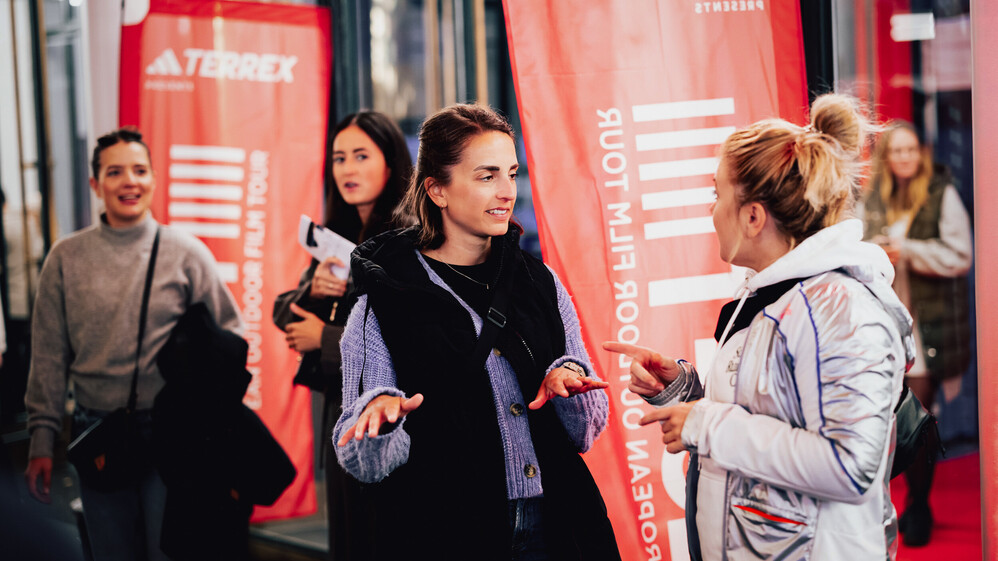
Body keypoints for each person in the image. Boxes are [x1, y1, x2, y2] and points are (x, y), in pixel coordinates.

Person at [604, 94, 914, 560]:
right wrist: (684, 391)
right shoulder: (781, 293)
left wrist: (705, 424)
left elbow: (850, 466)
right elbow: (776, 412)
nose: (712, 211)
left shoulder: (839, 308)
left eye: (717, 195)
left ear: (753, 217)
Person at [332, 104, 620, 561]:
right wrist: (381, 421)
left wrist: (568, 381)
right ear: (437, 190)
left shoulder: (539, 281)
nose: (507, 192)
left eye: (511, 174)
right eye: (487, 176)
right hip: (449, 534)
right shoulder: (384, 297)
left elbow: (585, 431)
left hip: (561, 523)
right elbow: (362, 464)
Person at [24, 127, 243, 561]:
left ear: (154, 179)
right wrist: (41, 440)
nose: (130, 181)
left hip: (172, 430)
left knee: (171, 550)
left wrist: (213, 417)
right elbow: (48, 354)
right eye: (115, 172)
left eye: (140, 170)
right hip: (97, 430)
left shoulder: (186, 252)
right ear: (95, 184)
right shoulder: (66, 258)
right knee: (112, 552)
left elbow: (230, 338)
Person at [273, 110, 412, 560]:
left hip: (389, 417)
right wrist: (312, 290)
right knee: (351, 541)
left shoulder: (409, 237)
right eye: (339, 158)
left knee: (386, 538)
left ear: (390, 161)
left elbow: (411, 336)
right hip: (343, 414)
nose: (348, 169)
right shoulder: (339, 233)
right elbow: (282, 312)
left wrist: (326, 338)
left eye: (361, 156)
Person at [861, 120, 973, 546]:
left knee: (918, 417)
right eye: (897, 150)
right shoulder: (872, 198)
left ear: (920, 154)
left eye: (911, 149)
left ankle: (919, 504)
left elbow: (961, 255)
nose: (904, 157)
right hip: (885, 327)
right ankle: (909, 504)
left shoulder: (941, 194)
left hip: (927, 327)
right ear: (887, 157)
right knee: (897, 420)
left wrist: (907, 251)